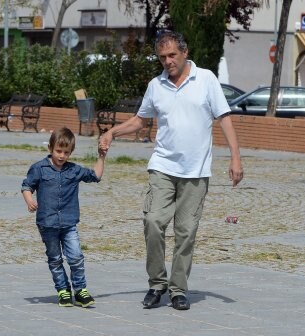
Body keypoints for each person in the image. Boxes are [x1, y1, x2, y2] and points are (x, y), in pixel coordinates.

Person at [99, 31, 243, 310]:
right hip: (162, 167)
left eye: (172, 55)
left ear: (184, 52)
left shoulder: (206, 80)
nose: (167, 61)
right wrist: (112, 132)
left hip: (196, 171)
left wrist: (235, 157)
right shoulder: (156, 85)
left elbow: (224, 118)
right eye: (162, 57)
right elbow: (141, 120)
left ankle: (178, 289)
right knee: (153, 222)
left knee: (186, 231)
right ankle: (156, 283)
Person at [22, 127, 106, 308]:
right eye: (58, 151)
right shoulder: (39, 168)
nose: (61, 156)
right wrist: (29, 201)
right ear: (50, 148)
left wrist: (101, 156)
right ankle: (63, 291)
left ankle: (80, 290)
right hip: (47, 223)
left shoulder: (74, 170)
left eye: (66, 152)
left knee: (76, 256)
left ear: (71, 152)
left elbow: (96, 176)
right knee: (55, 259)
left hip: (69, 223)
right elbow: (27, 186)